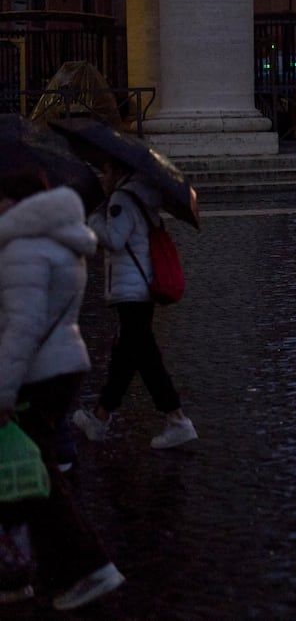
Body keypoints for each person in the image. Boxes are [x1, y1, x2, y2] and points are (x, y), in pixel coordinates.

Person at [0, 169, 124, 610]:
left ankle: (88, 567)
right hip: (63, 364)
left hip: (39, 372)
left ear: (11, 199)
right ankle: (16, 569)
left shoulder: (22, 248)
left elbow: (22, 327)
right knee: (29, 469)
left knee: (35, 475)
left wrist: (3, 392)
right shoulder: (59, 239)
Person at [73, 160, 197, 451]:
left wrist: (93, 218)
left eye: (107, 171)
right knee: (127, 356)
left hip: (131, 289)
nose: (103, 177)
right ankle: (101, 418)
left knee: (142, 356)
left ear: (117, 171)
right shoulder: (142, 196)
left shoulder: (122, 198)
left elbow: (114, 239)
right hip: (140, 285)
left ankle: (177, 420)